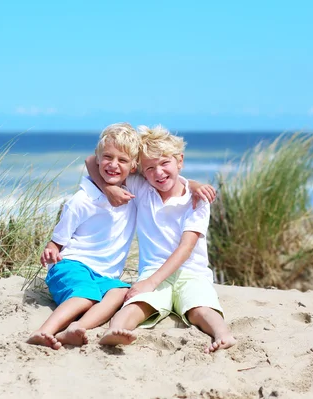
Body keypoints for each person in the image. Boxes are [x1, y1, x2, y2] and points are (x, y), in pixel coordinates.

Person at [85, 125, 237, 353]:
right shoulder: (142, 187)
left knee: (200, 309)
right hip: (153, 270)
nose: (158, 173)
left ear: (180, 161)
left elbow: (186, 248)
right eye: (150, 168)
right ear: (141, 171)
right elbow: (90, 160)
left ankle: (223, 335)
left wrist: (151, 282)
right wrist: (108, 189)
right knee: (137, 304)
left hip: (190, 272)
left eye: (165, 163)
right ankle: (115, 331)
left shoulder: (197, 200)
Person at [27, 123, 140, 349]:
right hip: (72, 265)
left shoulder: (134, 191)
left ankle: (77, 328)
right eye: (107, 157)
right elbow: (58, 240)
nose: (113, 165)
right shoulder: (83, 200)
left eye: (122, 160)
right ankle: (43, 331)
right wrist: (51, 248)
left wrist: (193, 186)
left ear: (134, 167)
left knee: (120, 292)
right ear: (98, 159)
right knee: (85, 294)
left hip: (104, 275)